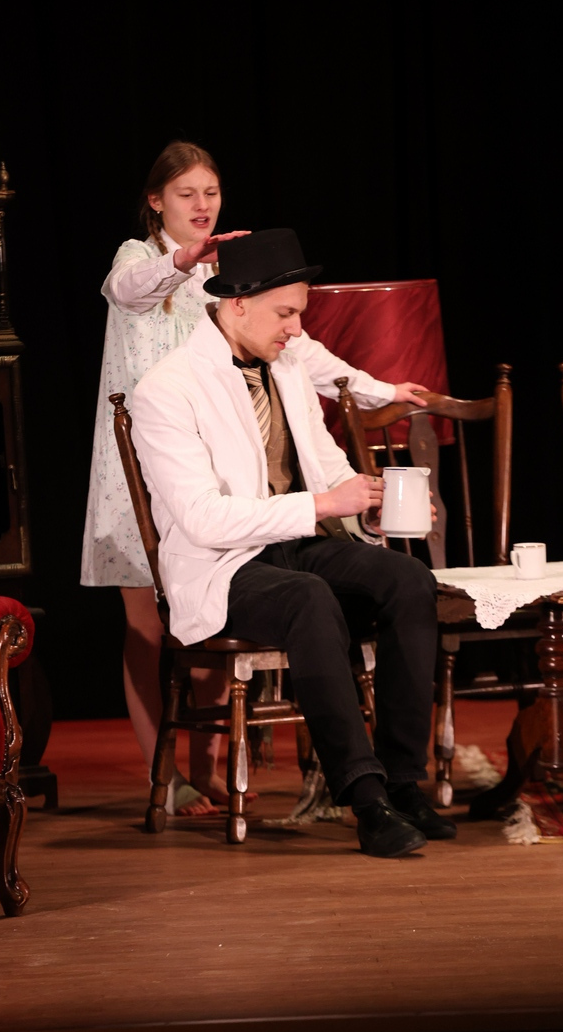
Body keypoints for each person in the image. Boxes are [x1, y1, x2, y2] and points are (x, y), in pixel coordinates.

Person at [80, 142, 433, 816]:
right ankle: (167, 773)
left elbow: (312, 371)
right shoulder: (144, 263)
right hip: (159, 464)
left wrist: (372, 469)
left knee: (404, 580)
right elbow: (127, 289)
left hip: (268, 513)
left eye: (211, 192)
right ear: (156, 200)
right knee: (152, 627)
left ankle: (390, 783)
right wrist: (187, 260)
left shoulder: (272, 339)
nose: (202, 205)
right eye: (186, 193)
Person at [131, 229, 456, 858]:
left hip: (296, 543)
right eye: (286, 314)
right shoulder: (166, 390)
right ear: (237, 303)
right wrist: (323, 505)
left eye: (299, 313)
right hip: (223, 566)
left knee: (408, 579)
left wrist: (372, 507)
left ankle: (403, 781)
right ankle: (365, 799)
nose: (296, 329)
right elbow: (201, 519)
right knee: (308, 598)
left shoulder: (286, 368)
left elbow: (328, 467)